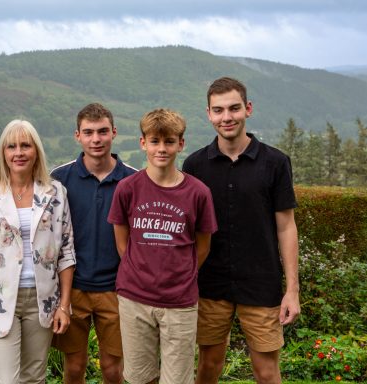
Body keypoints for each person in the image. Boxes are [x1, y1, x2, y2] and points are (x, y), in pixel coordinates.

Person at [182, 77, 300, 384]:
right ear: (208, 114)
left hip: (261, 283)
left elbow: (286, 227)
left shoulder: (275, 162)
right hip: (209, 284)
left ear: (247, 109)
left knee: (266, 372)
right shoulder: (195, 165)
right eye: (218, 110)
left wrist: (292, 290)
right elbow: (187, 231)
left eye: (234, 108)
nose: (227, 117)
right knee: (208, 367)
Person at [108, 108, 218, 384]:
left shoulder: (198, 193)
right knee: (138, 377)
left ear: (181, 144)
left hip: (179, 302)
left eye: (169, 141)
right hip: (134, 298)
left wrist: (180, 275)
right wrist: (141, 271)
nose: (162, 148)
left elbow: (202, 246)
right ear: (143, 142)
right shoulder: (127, 188)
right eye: (154, 141)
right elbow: (123, 242)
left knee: (177, 380)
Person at [0, 119, 76, 383]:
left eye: (25, 146)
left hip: (42, 300)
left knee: (34, 378)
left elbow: (66, 253)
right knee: (5, 380)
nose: (18, 153)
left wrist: (64, 306)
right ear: (3, 153)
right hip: (0, 301)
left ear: (36, 150)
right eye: (11, 146)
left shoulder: (55, 193)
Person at [51, 103, 136, 383]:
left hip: (116, 289)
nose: (96, 139)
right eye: (88, 132)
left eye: (102, 132)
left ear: (114, 132)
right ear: (78, 135)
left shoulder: (133, 180)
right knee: (74, 368)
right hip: (72, 289)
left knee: (113, 370)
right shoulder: (59, 179)